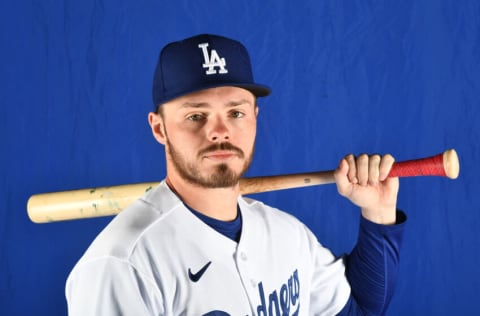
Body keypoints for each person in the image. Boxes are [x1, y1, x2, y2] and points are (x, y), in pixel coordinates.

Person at [65, 34, 406, 315]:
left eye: (236, 112)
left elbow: (361, 309)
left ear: (256, 116)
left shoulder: (288, 235)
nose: (220, 131)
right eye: (196, 116)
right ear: (159, 129)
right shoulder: (121, 266)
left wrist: (378, 214)